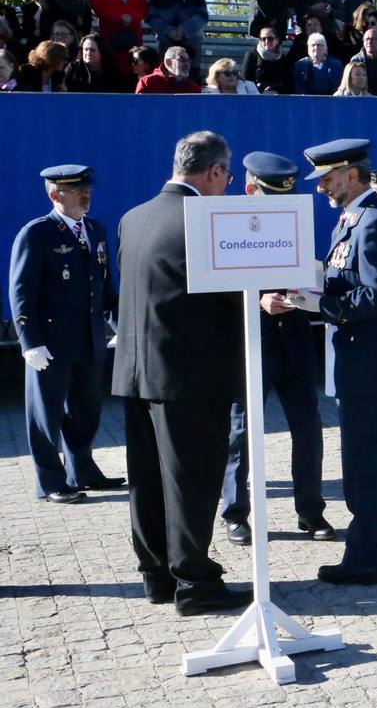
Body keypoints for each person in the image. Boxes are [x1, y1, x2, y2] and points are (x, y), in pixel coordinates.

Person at [112, 131, 250, 615]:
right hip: (190, 378)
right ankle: (195, 584)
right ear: (213, 172)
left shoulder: (134, 217)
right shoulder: (204, 220)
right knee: (191, 481)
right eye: (228, 177)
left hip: (135, 372)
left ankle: (156, 576)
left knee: (146, 480)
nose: (228, 187)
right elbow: (227, 299)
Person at [289, 139, 377, 582]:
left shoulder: (374, 222)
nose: (322, 187)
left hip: (369, 363)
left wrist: (314, 305)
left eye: (327, 178)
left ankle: (364, 559)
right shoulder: (354, 218)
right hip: (367, 360)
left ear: (352, 174)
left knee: (364, 463)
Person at [217, 153, 332, 547]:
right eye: (270, 195)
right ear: (251, 190)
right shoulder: (229, 226)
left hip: (294, 341)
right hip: (251, 343)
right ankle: (234, 513)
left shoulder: (292, 223)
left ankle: (311, 511)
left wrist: (312, 288)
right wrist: (258, 300)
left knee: (308, 429)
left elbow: (304, 273)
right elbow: (218, 289)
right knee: (241, 433)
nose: (280, 204)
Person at [9, 164, 123, 504]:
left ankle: (83, 471)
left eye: (87, 188)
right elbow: (21, 292)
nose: (85, 194)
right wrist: (29, 341)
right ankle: (51, 481)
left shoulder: (96, 230)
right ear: (55, 194)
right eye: (76, 190)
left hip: (89, 338)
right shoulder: (37, 233)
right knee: (46, 414)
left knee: (87, 410)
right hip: (51, 341)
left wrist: (124, 328)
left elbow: (105, 290)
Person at [87, 0, 148, 77]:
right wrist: (120, 17)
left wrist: (131, 17)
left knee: (134, 70)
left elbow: (143, 8)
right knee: (112, 72)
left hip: (133, 36)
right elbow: (99, 9)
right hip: (111, 38)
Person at [146, 0, 208, 76]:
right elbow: (151, 17)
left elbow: (202, 16)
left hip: (192, 42)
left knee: (192, 75)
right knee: (166, 74)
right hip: (166, 42)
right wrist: (168, 31)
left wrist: (184, 29)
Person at [134, 46, 201, 94]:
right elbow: (139, 110)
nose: (187, 64)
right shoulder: (148, 83)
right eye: (182, 60)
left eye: (188, 61)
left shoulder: (193, 88)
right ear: (168, 62)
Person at [241, 28, 289, 94]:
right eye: (263, 39)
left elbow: (288, 83)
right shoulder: (252, 56)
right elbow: (246, 80)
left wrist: (277, 92)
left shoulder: (284, 58)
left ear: (277, 40)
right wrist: (260, 92)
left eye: (270, 39)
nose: (266, 41)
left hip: (278, 97)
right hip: (256, 96)